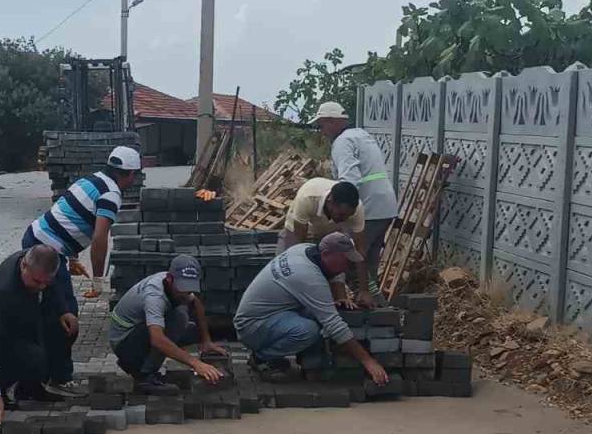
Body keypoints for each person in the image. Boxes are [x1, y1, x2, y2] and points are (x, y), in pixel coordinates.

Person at [23, 145, 144, 397]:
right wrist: (98, 279)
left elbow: (68, 213)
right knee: (67, 317)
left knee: (49, 313)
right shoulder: (111, 194)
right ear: (131, 175)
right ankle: (57, 378)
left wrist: (71, 256)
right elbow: (100, 238)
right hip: (48, 250)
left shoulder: (90, 180)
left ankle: (41, 374)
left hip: (36, 238)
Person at [233, 233, 390, 385]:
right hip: (252, 327)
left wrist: (341, 296)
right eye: (345, 261)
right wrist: (368, 360)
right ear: (327, 254)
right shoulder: (308, 276)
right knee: (308, 330)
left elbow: (333, 273)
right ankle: (261, 357)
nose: (347, 267)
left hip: (268, 315)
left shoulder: (303, 249)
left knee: (323, 311)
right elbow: (334, 324)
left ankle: (309, 360)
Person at [0, 245, 78, 427]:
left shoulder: (38, 263)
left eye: (46, 282)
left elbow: (53, 285)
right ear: (24, 266)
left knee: (64, 330)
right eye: (37, 282)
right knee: (32, 355)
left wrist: (63, 311)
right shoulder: (0, 290)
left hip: (15, 323)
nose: (42, 287)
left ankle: (30, 388)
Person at [311, 102, 398, 305]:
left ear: (332, 122)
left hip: (367, 208)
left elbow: (350, 181)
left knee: (348, 259)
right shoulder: (361, 135)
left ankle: (377, 307)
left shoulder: (342, 142)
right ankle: (377, 316)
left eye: (322, 125)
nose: (322, 132)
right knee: (368, 263)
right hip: (384, 206)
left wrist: (340, 214)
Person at [108, 255, 228, 394]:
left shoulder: (174, 286)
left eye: (189, 289)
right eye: (182, 288)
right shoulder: (155, 295)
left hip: (137, 332)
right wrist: (196, 363)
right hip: (124, 342)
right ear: (169, 279)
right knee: (179, 319)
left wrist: (206, 341)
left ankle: (142, 367)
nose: (185, 293)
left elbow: (196, 303)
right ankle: (143, 377)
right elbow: (157, 339)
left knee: (182, 317)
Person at [281, 177, 372, 308]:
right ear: (330, 202)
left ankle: (341, 299)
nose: (344, 219)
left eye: (347, 216)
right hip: (299, 229)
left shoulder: (356, 210)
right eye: (341, 215)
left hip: (331, 232)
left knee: (340, 261)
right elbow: (298, 248)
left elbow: (360, 250)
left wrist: (364, 290)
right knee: (288, 270)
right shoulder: (308, 197)